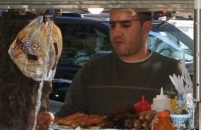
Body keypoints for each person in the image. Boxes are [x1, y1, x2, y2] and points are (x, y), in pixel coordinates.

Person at [50, 8, 183, 118]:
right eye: (113, 25)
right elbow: (69, 116)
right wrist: (50, 121)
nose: (116, 32)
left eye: (126, 25)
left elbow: (187, 119)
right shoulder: (93, 69)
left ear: (146, 27)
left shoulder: (172, 70)